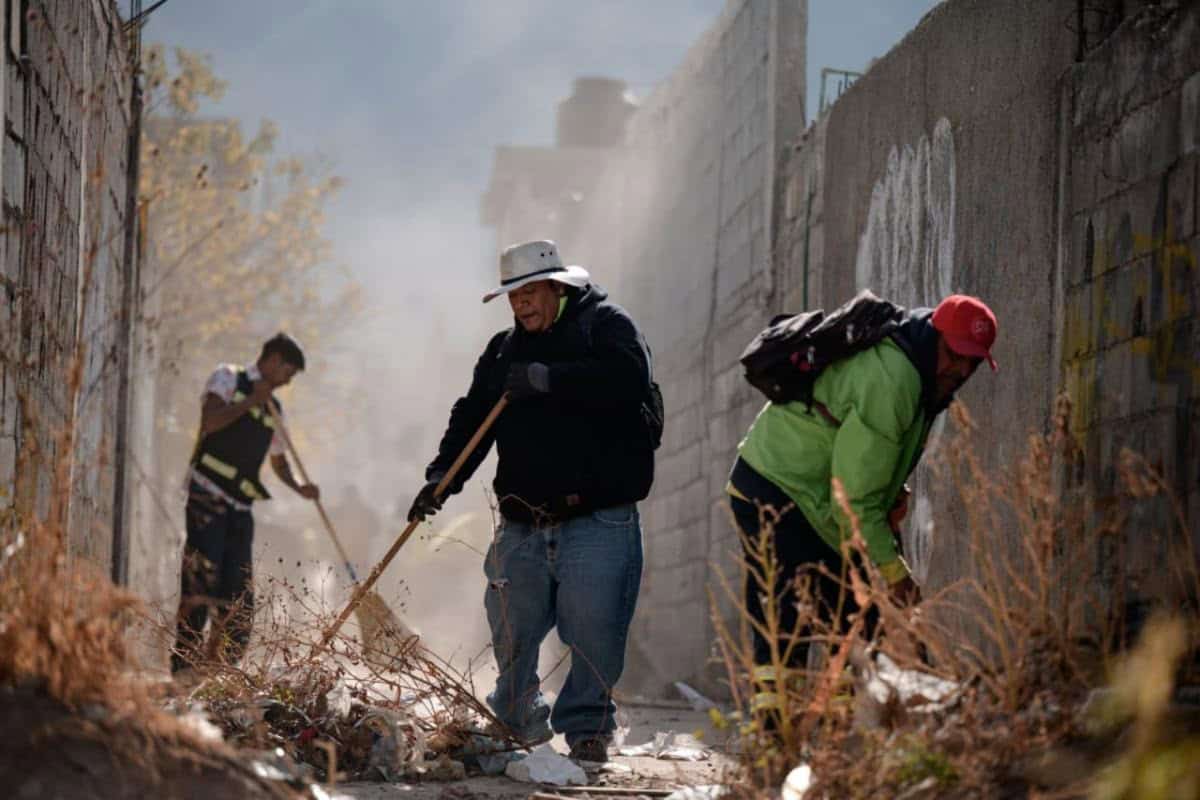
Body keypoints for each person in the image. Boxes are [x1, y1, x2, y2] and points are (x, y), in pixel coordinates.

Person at [407, 240, 656, 764]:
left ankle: (588, 727)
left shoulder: (606, 326)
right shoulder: (503, 352)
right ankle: (518, 722)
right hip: (522, 521)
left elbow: (628, 381)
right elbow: (473, 417)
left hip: (596, 518)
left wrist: (548, 380)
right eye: (512, 297)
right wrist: (441, 479)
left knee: (592, 632)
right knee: (510, 628)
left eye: (529, 293)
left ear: (558, 287)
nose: (520, 305)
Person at [727, 294, 998, 718]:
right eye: (955, 356)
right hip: (779, 488)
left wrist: (892, 492)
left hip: (805, 495)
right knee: (792, 623)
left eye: (973, 363)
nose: (961, 370)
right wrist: (895, 575)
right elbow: (852, 501)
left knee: (851, 623)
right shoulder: (896, 380)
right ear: (935, 336)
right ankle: (773, 744)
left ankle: (842, 738)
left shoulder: (921, 370)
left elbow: (865, 466)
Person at [170, 332, 320, 675]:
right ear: (272, 360)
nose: (287, 381)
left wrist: (301, 488)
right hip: (207, 496)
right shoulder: (228, 378)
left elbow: (280, 462)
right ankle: (183, 668)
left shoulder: (275, 408)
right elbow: (210, 421)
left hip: (240, 509)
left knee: (238, 593)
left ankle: (219, 671)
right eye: (288, 372)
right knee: (200, 581)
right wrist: (251, 400)